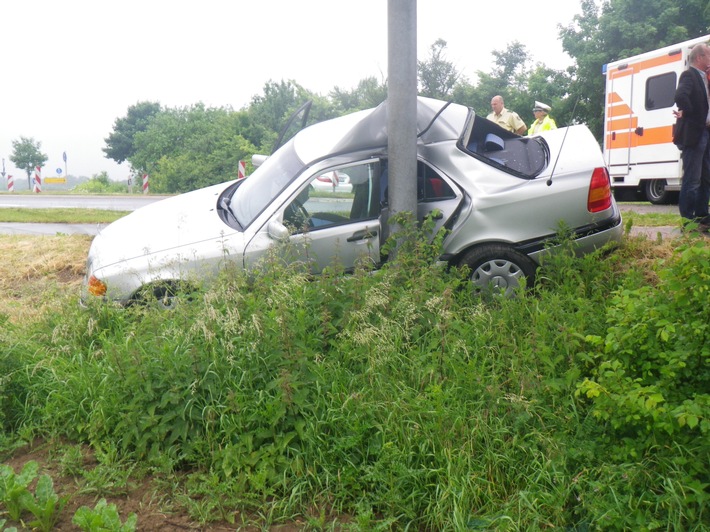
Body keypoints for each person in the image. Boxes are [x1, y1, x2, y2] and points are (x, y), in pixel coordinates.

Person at [673, 42, 710, 232]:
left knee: (705, 178)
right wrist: (692, 116)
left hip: (706, 134)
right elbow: (680, 96)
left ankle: (703, 216)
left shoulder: (705, 78)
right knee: (692, 179)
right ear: (700, 58)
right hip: (696, 134)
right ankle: (688, 221)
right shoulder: (689, 75)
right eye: (709, 55)